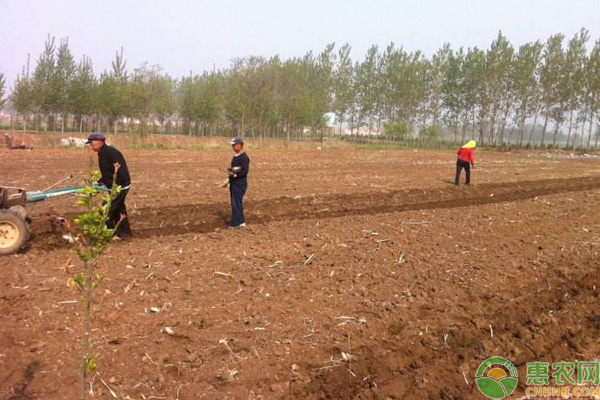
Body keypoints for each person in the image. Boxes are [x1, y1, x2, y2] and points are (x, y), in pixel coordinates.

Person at [86, 132, 132, 238]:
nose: (91, 146)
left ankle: (110, 234)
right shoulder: (103, 152)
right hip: (116, 185)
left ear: (100, 142)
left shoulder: (109, 152)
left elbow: (120, 171)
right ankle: (125, 234)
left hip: (120, 186)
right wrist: (99, 182)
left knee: (106, 210)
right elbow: (108, 172)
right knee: (119, 209)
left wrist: (116, 187)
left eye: (92, 143)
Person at [227, 137, 250, 229]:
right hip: (234, 182)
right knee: (235, 202)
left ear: (239, 145)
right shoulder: (235, 156)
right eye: (232, 145)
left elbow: (244, 171)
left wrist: (235, 175)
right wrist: (229, 178)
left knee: (236, 202)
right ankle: (240, 221)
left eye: (234, 145)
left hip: (239, 183)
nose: (232, 147)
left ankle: (236, 223)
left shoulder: (244, 157)